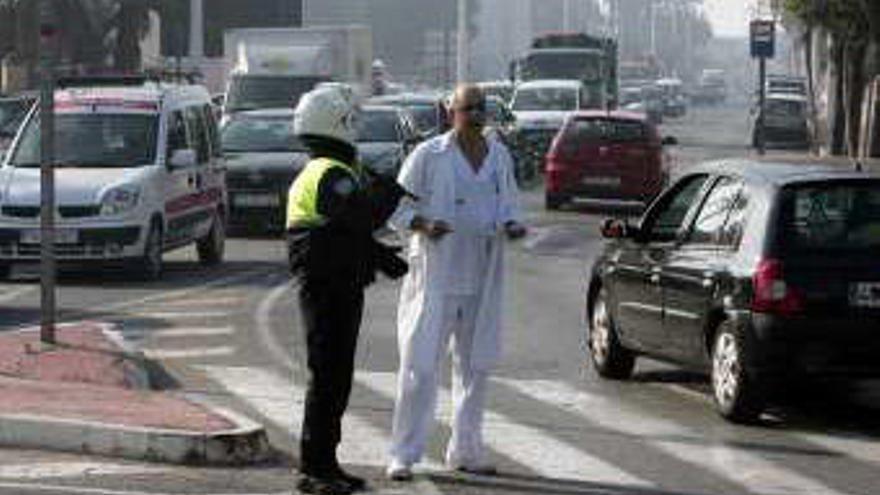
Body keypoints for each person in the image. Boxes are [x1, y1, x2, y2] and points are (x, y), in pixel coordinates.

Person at [386, 84, 527, 481]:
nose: (477, 115)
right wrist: (424, 224)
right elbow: (396, 205)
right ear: (452, 112)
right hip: (436, 277)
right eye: (469, 108)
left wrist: (513, 224)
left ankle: (465, 449)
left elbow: (510, 204)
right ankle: (404, 453)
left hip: (481, 277)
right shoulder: (429, 155)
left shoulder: (498, 156)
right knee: (419, 367)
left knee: (476, 366)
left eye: (482, 108)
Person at [286, 85, 409, 495]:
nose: (357, 124)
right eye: (351, 118)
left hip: (339, 284)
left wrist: (382, 259)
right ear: (337, 122)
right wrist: (388, 192)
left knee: (336, 378)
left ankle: (328, 463)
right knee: (326, 377)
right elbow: (361, 216)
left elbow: (345, 231)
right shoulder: (328, 173)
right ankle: (313, 470)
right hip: (326, 289)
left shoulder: (334, 168)